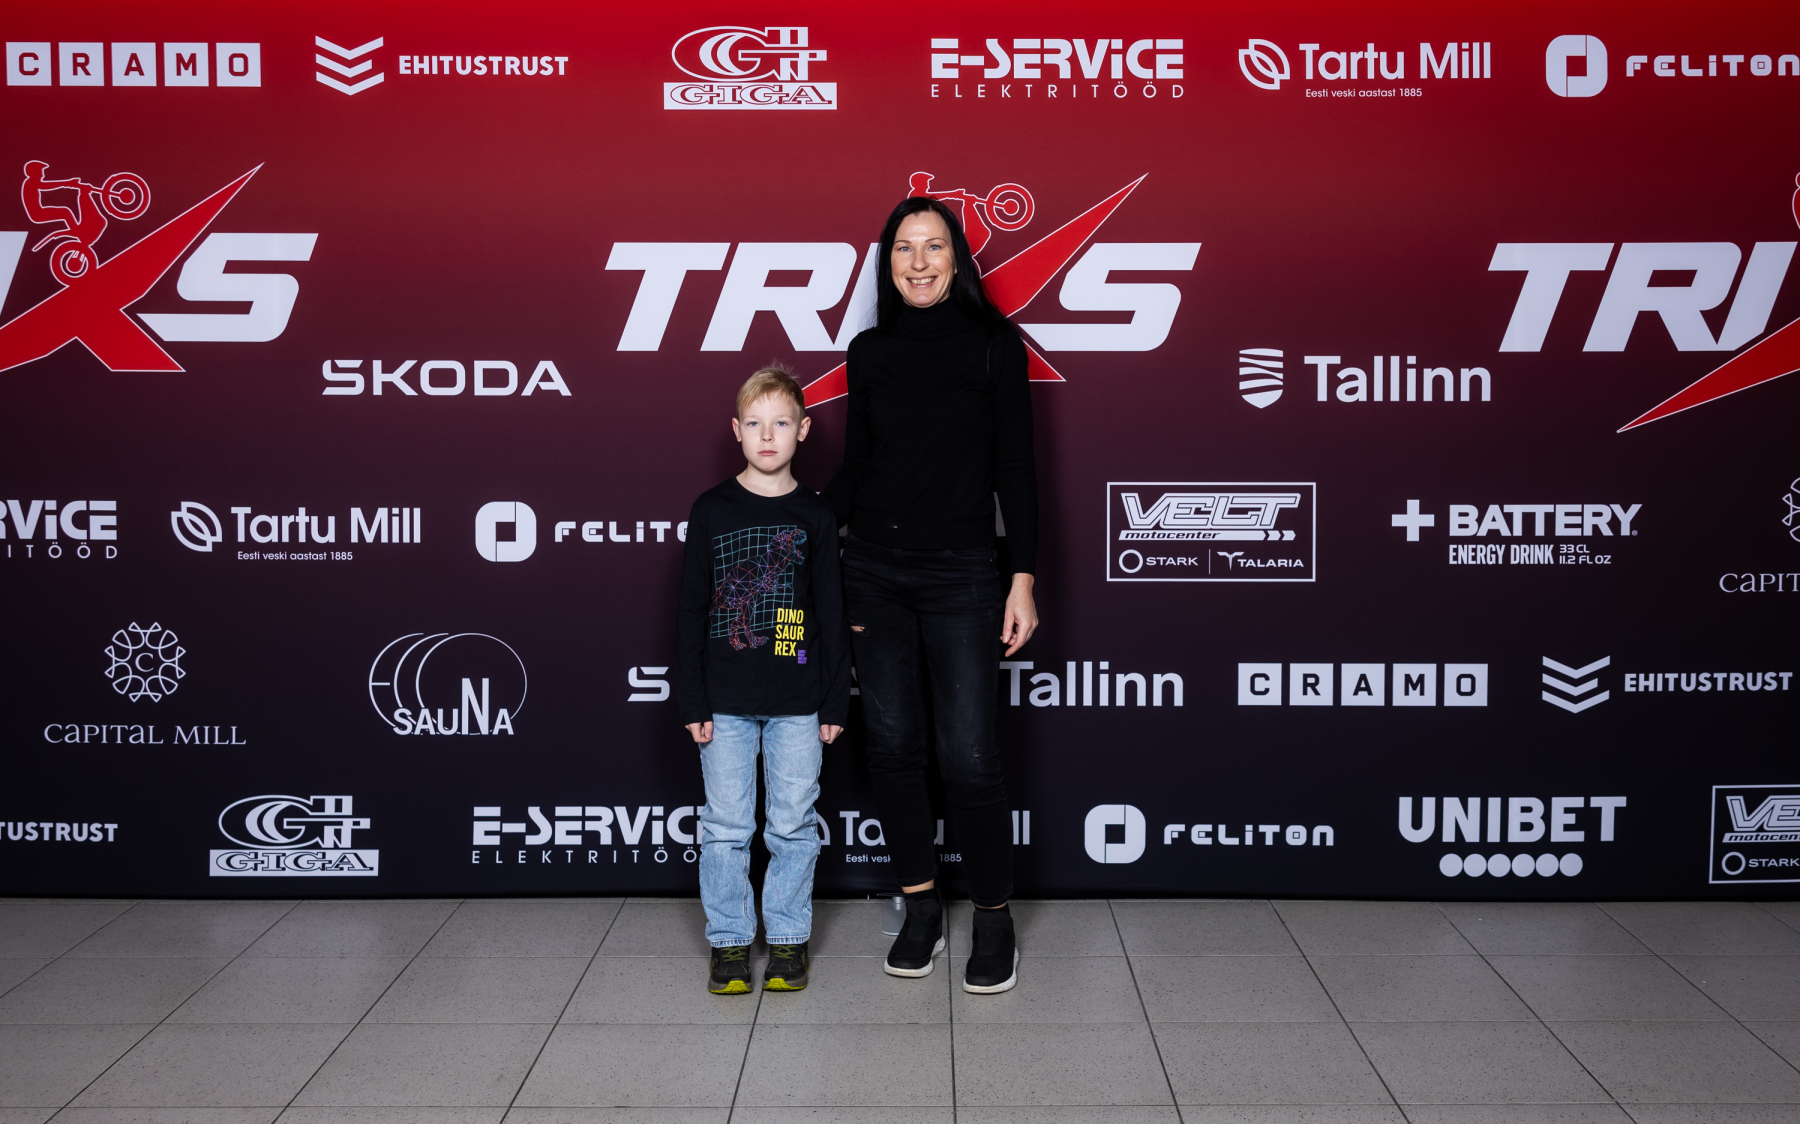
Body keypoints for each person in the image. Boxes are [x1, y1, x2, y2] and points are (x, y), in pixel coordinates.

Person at [824, 197, 1039, 994]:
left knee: (970, 758)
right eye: (903, 248)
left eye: (934, 246)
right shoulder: (870, 352)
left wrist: (1023, 577)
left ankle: (993, 917)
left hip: (963, 573)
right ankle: (920, 908)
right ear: (888, 264)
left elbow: (1016, 469)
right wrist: (786, 521)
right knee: (892, 748)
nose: (918, 262)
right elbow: (856, 469)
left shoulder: (993, 345)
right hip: (872, 571)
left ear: (957, 259)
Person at [675, 366, 850, 995]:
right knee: (726, 826)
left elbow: (830, 613)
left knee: (793, 825)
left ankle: (787, 939)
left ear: (803, 430)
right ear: (736, 431)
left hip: (799, 702)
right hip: (724, 701)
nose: (767, 435)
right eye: (755, 423)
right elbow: (691, 609)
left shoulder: (815, 515)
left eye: (780, 423)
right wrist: (692, 697)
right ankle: (728, 942)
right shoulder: (712, 510)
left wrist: (835, 699)